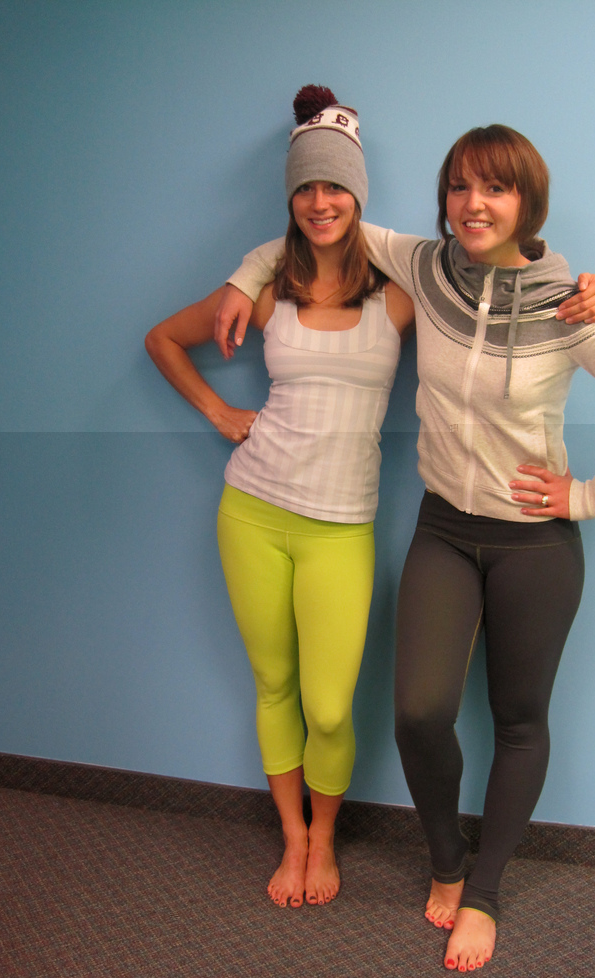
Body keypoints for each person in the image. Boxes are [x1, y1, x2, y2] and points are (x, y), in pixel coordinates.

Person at [216, 124, 595, 971]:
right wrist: (244, 274)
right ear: (444, 198)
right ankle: (447, 861)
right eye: (460, 186)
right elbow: (324, 227)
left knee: (519, 720)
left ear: (526, 202)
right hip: (443, 529)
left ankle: (485, 892)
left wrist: (585, 498)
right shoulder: (423, 266)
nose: (475, 204)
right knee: (419, 712)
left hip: (535, 546)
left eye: (496, 188)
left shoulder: (569, 307)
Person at [145, 86, 414, 910]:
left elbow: (478, 274)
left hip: (341, 528)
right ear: (290, 198)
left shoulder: (399, 293)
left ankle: (326, 836)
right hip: (253, 512)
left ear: (358, 194)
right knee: (274, 685)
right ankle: (294, 836)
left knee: (328, 707)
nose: (320, 202)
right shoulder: (263, 289)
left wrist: (592, 292)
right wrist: (221, 412)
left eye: (334, 187)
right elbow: (163, 339)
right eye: (305, 188)